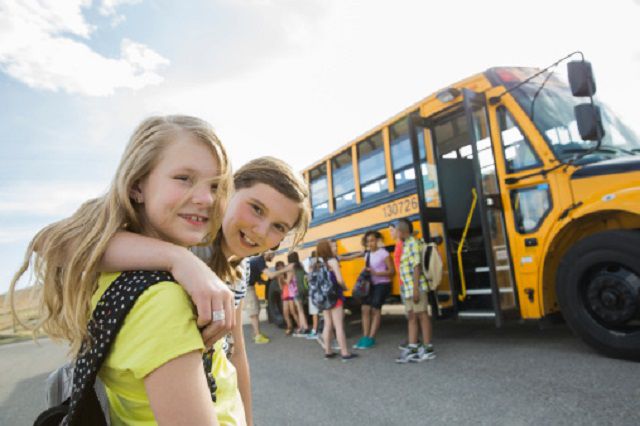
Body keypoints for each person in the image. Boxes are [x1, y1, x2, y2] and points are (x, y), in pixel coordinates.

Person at [13, 121, 310, 426]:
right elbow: (51, 242)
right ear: (229, 192)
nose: (260, 231)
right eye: (256, 209)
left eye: (279, 227)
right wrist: (178, 258)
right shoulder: (190, 241)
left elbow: (236, 352)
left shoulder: (239, 266)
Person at [394, 218, 435, 363]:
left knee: (422, 315)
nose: (394, 233)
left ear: (401, 231)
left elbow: (416, 266)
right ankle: (413, 348)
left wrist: (416, 289)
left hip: (416, 287)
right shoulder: (405, 244)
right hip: (408, 288)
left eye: (396, 230)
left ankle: (428, 348)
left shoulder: (412, 243)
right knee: (412, 316)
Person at [316, 239, 358, 361]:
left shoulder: (317, 263)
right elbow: (339, 280)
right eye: (332, 246)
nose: (335, 248)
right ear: (327, 249)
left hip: (324, 297)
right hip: (335, 296)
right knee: (339, 325)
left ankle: (328, 351)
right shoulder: (333, 261)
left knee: (327, 324)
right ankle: (345, 353)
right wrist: (345, 288)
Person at [353, 230, 395, 350]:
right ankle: (365, 337)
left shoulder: (384, 253)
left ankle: (371, 338)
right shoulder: (367, 255)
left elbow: (392, 271)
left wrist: (376, 273)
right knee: (364, 309)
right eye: (368, 241)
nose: (370, 243)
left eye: (372, 240)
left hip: (382, 284)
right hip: (370, 285)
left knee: (375, 310)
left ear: (377, 241)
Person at [245, 251, 275, 344]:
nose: (274, 256)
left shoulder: (258, 261)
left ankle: (256, 334)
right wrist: (286, 269)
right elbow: (271, 275)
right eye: (273, 253)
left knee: (256, 310)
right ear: (266, 253)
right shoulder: (259, 260)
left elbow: (260, 280)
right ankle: (258, 337)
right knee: (254, 312)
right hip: (248, 289)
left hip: (250, 287)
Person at [287, 251, 310, 337]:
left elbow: (288, 281)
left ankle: (305, 327)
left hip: (295, 292)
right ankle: (302, 327)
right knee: (301, 310)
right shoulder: (300, 265)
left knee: (300, 310)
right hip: (302, 289)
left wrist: (282, 279)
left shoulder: (291, 268)